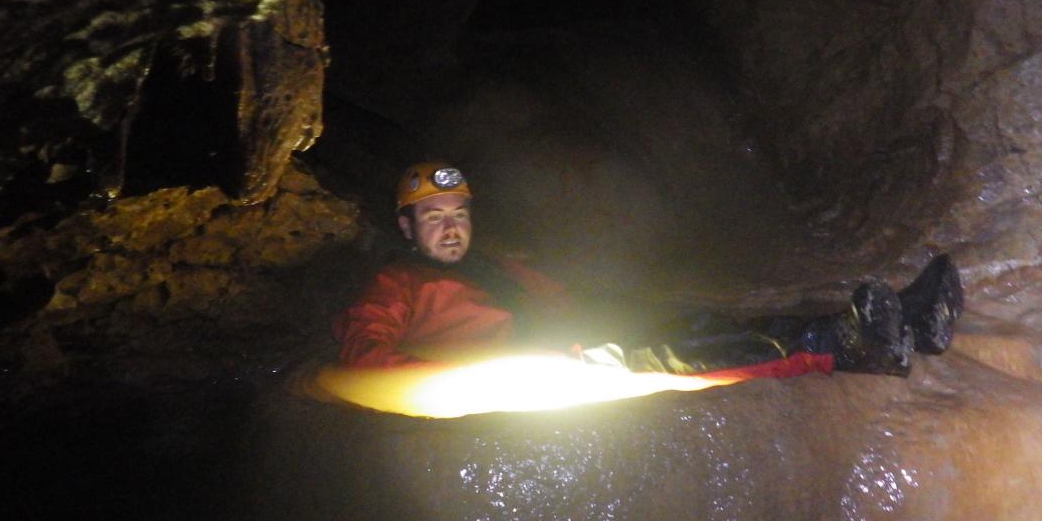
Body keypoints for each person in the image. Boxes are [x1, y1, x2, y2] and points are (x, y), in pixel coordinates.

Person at [332, 162, 963, 381]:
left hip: (582, 335)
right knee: (696, 352)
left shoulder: (496, 265)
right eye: (433, 216)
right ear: (407, 228)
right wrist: (464, 378)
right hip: (560, 363)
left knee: (705, 322)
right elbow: (365, 355)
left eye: (458, 213)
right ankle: (849, 348)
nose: (450, 226)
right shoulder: (395, 284)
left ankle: (908, 320)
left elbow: (566, 297)